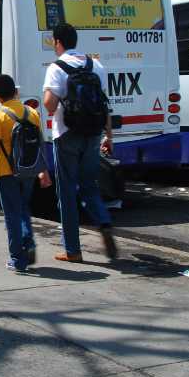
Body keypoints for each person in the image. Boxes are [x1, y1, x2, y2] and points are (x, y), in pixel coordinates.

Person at [43, 22, 118, 263]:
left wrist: (54, 98)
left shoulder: (57, 67)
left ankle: (73, 250)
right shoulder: (95, 64)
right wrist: (109, 136)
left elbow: (49, 104)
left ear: (57, 42)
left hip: (67, 135)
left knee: (66, 192)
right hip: (94, 134)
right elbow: (104, 104)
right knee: (89, 186)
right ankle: (104, 222)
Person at [0, 74, 52, 272]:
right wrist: (43, 171)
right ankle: (29, 244)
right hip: (28, 170)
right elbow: (40, 144)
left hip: (6, 172)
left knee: (12, 214)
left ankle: (17, 259)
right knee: (23, 209)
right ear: (16, 92)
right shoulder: (32, 113)